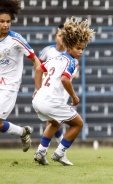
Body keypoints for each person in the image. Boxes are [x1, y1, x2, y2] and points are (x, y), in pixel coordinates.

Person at [33, 17, 94, 166]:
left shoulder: (57, 58)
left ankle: (41, 152)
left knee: (54, 123)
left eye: (82, 48)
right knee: (78, 124)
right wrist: (74, 97)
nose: (80, 51)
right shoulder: (71, 61)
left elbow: (39, 69)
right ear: (69, 46)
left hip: (38, 100)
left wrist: (38, 89)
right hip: (51, 102)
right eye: (78, 48)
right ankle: (60, 153)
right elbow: (65, 80)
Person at [0, 0, 41, 152]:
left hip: (9, 87)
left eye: (8, 21)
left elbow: (35, 59)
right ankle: (23, 132)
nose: (5, 25)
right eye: (2, 21)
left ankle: (22, 132)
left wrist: (39, 86)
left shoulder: (15, 39)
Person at [38, 24, 80, 145]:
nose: (61, 38)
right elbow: (38, 67)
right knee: (53, 119)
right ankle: (50, 145)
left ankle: (46, 146)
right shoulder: (48, 51)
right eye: (59, 35)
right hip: (49, 88)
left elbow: (71, 76)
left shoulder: (73, 58)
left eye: (63, 36)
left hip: (63, 91)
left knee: (54, 120)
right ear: (56, 36)